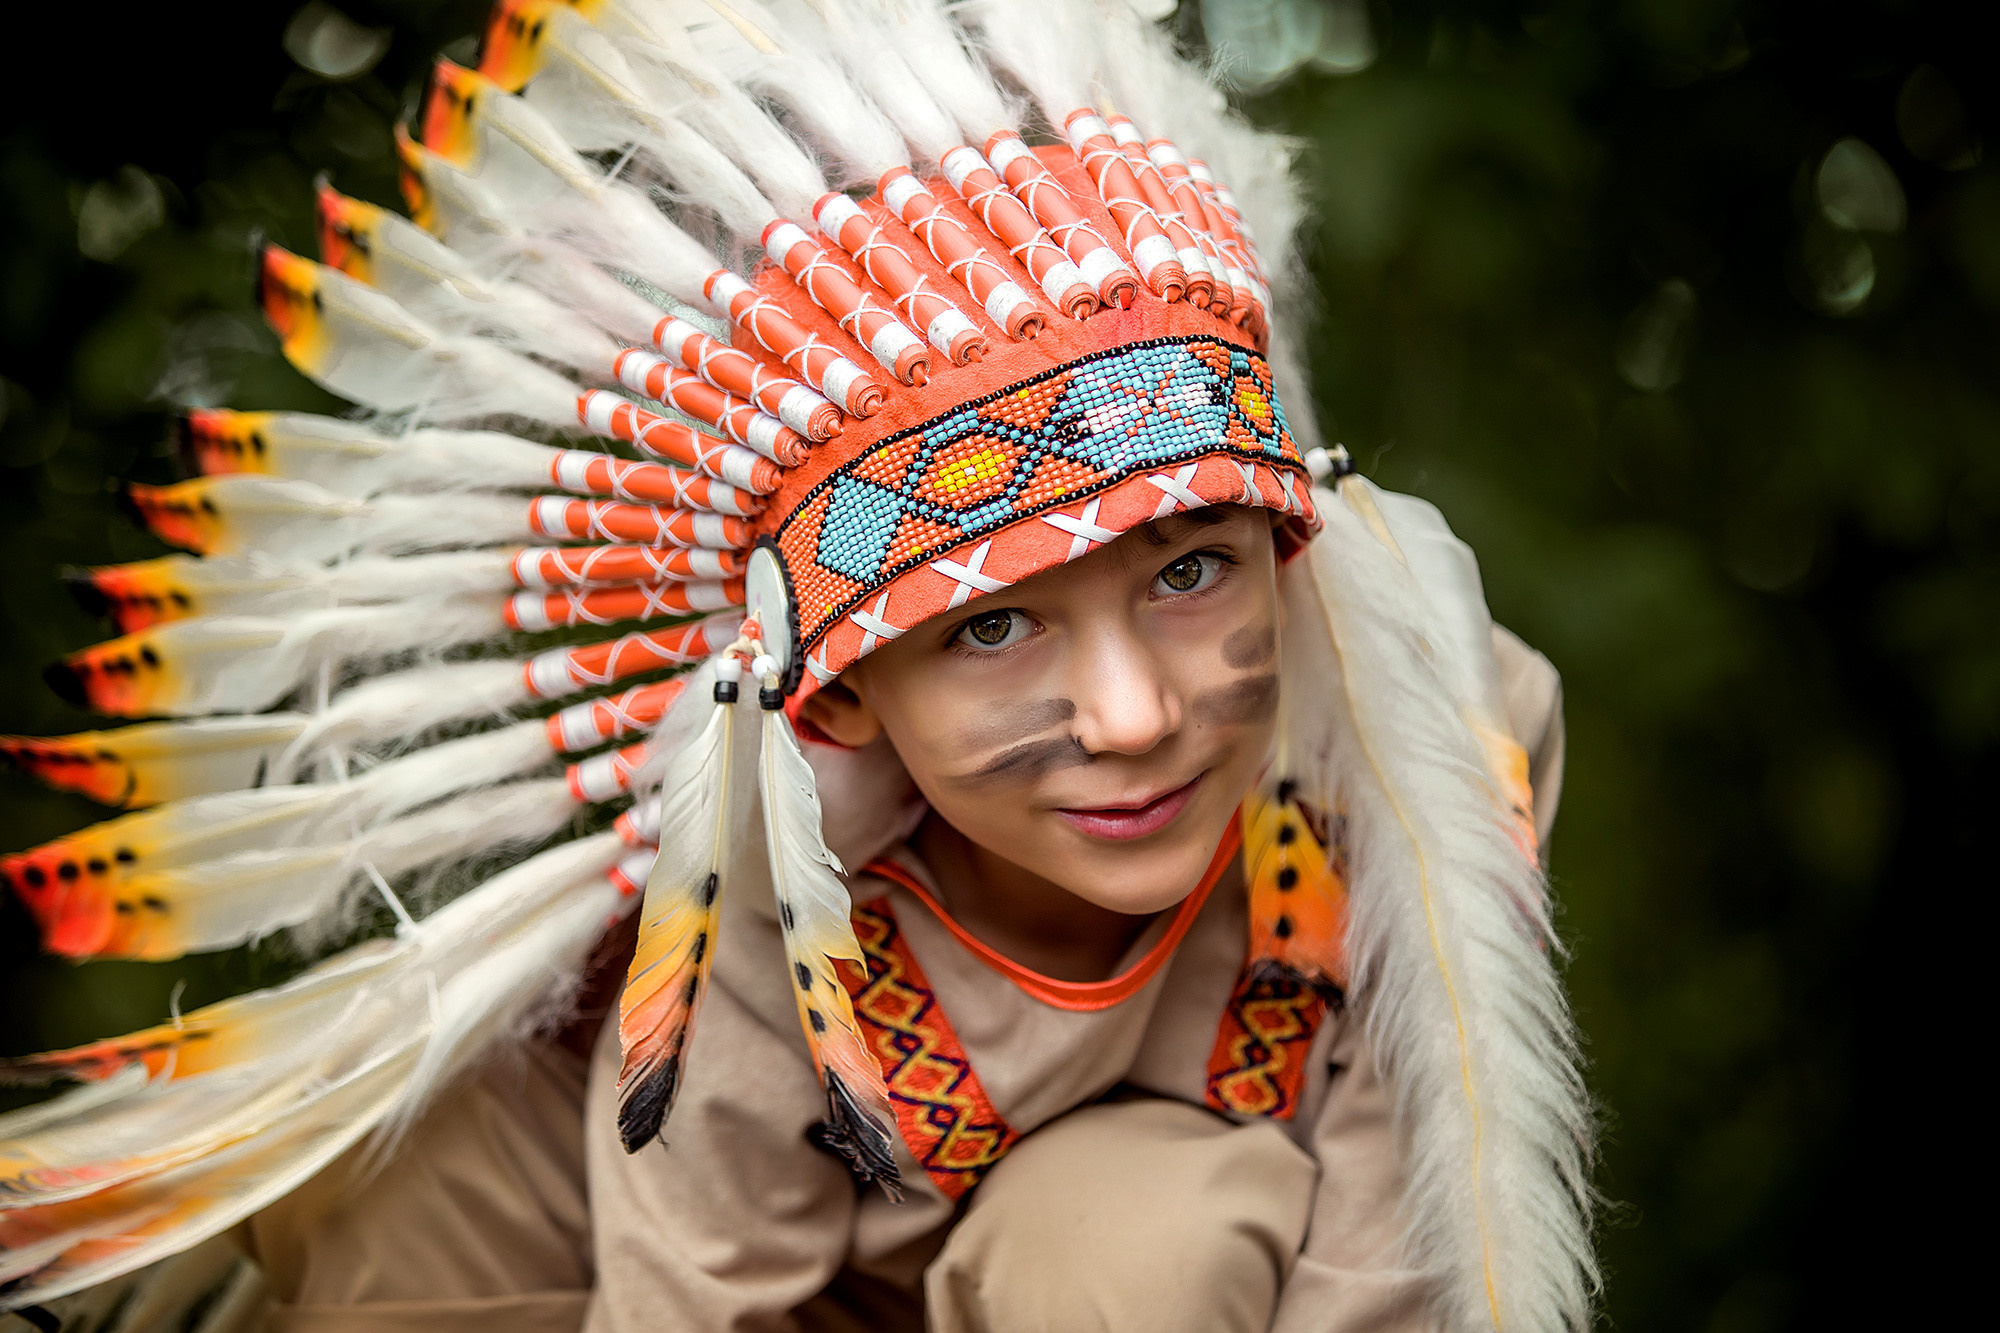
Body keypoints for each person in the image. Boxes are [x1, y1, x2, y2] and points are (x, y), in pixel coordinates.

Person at [0, 2, 1594, 1330]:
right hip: (714, 1239)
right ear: (836, 690)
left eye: (1190, 569)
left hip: (1121, 1270)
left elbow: (1411, 1250)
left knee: (1125, 1247)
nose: (1134, 714)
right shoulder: (769, 847)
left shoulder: (1426, 716)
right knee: (410, 1163)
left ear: (1288, 533)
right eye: (990, 621)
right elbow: (689, 1289)